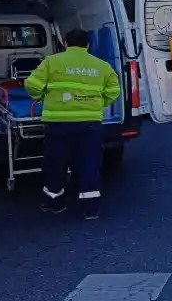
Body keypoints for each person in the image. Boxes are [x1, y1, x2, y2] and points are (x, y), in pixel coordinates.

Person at [24, 29, 122, 219]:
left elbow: (32, 85)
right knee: (89, 164)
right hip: (90, 124)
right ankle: (91, 209)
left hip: (59, 124)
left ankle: (54, 203)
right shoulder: (101, 66)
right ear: (88, 45)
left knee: (55, 164)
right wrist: (98, 104)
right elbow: (114, 90)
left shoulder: (52, 62)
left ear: (65, 43)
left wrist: (43, 97)